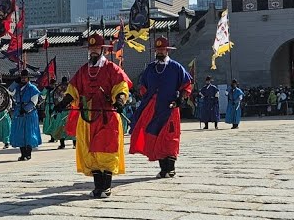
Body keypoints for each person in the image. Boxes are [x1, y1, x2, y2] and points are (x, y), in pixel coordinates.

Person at [51, 34, 130, 196]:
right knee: (90, 150)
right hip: (87, 118)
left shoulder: (111, 69)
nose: (93, 51)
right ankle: (97, 187)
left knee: (106, 149)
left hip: (107, 117)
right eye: (91, 48)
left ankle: (106, 186)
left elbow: (121, 86)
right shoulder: (83, 71)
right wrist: (62, 103)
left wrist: (120, 101)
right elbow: (73, 90)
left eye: (96, 48)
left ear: (102, 50)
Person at [130, 36, 192, 178]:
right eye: (157, 50)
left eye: (162, 50)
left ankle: (170, 168)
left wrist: (179, 99)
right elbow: (143, 86)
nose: (160, 52)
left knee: (169, 137)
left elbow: (187, 85)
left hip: (170, 107)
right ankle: (163, 168)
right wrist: (148, 98)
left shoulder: (176, 67)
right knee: (155, 136)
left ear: (167, 51)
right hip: (153, 109)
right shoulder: (150, 68)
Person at [9, 69, 43, 161]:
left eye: (25, 77)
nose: (23, 79)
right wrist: (15, 83)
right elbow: (10, 91)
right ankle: (22, 153)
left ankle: (28, 154)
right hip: (18, 113)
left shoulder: (33, 89)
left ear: (28, 78)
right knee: (19, 134)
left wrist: (25, 110)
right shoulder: (17, 88)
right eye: (22, 77)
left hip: (29, 114)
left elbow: (34, 102)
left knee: (29, 134)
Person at [43, 77, 72, 149]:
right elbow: (44, 96)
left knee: (71, 126)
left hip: (69, 109)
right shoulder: (57, 90)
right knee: (59, 126)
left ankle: (75, 143)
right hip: (59, 109)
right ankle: (60, 142)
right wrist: (46, 89)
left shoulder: (70, 89)